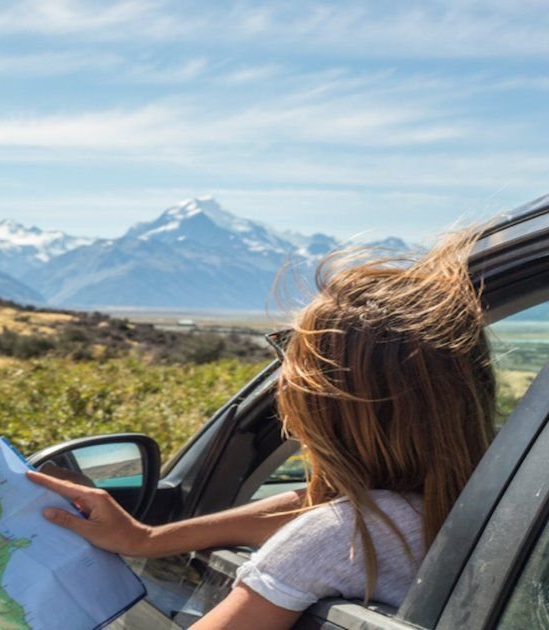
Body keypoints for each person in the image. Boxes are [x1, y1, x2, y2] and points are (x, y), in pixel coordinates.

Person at [28, 228, 496, 629]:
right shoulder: (485, 503)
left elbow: (330, 525)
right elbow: (315, 507)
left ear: (323, 404)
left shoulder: (343, 538)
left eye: (291, 361)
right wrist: (145, 540)